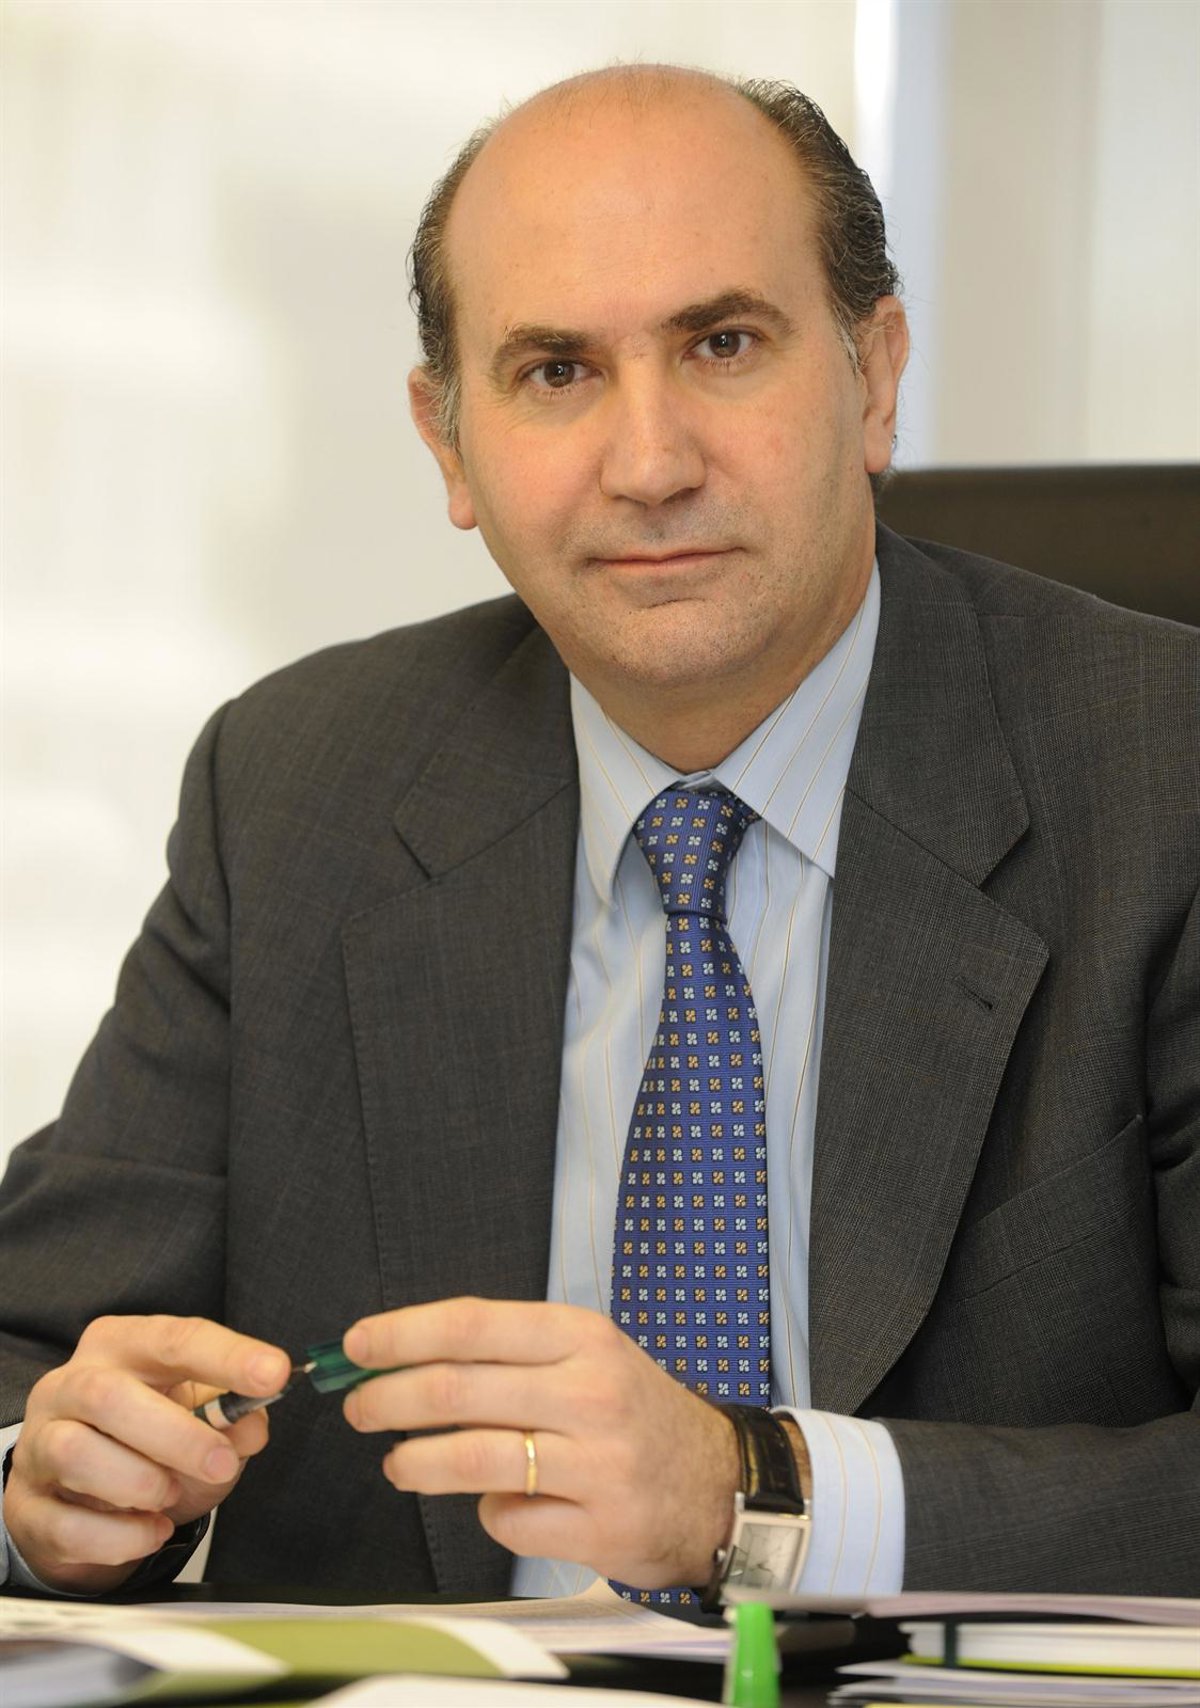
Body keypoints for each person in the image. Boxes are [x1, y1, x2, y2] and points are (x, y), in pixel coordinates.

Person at [1, 64, 1196, 1604]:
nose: (650, 463)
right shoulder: (297, 790)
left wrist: (754, 1495)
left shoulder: (1161, 780)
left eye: (723, 344)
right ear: (449, 444)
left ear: (876, 375)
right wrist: (48, 1485)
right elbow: (35, 1354)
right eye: (556, 370)